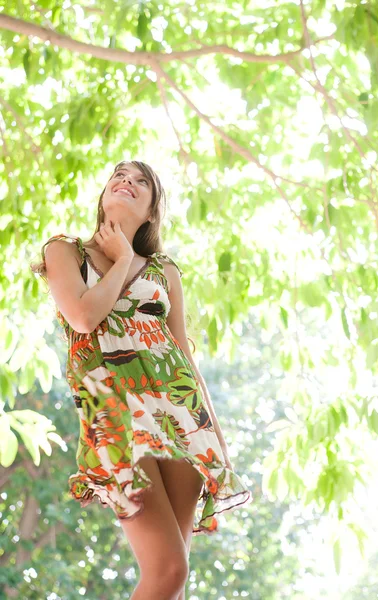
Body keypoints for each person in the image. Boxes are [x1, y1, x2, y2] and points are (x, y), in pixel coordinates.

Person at [32, 160, 252, 600]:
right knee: (168, 570)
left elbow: (184, 355)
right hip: (110, 412)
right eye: (118, 177)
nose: (126, 183)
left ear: (152, 211)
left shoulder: (165, 271)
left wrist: (218, 438)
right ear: (102, 196)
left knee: (175, 581)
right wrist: (124, 259)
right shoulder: (65, 251)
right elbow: (83, 316)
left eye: (140, 182)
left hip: (180, 417)